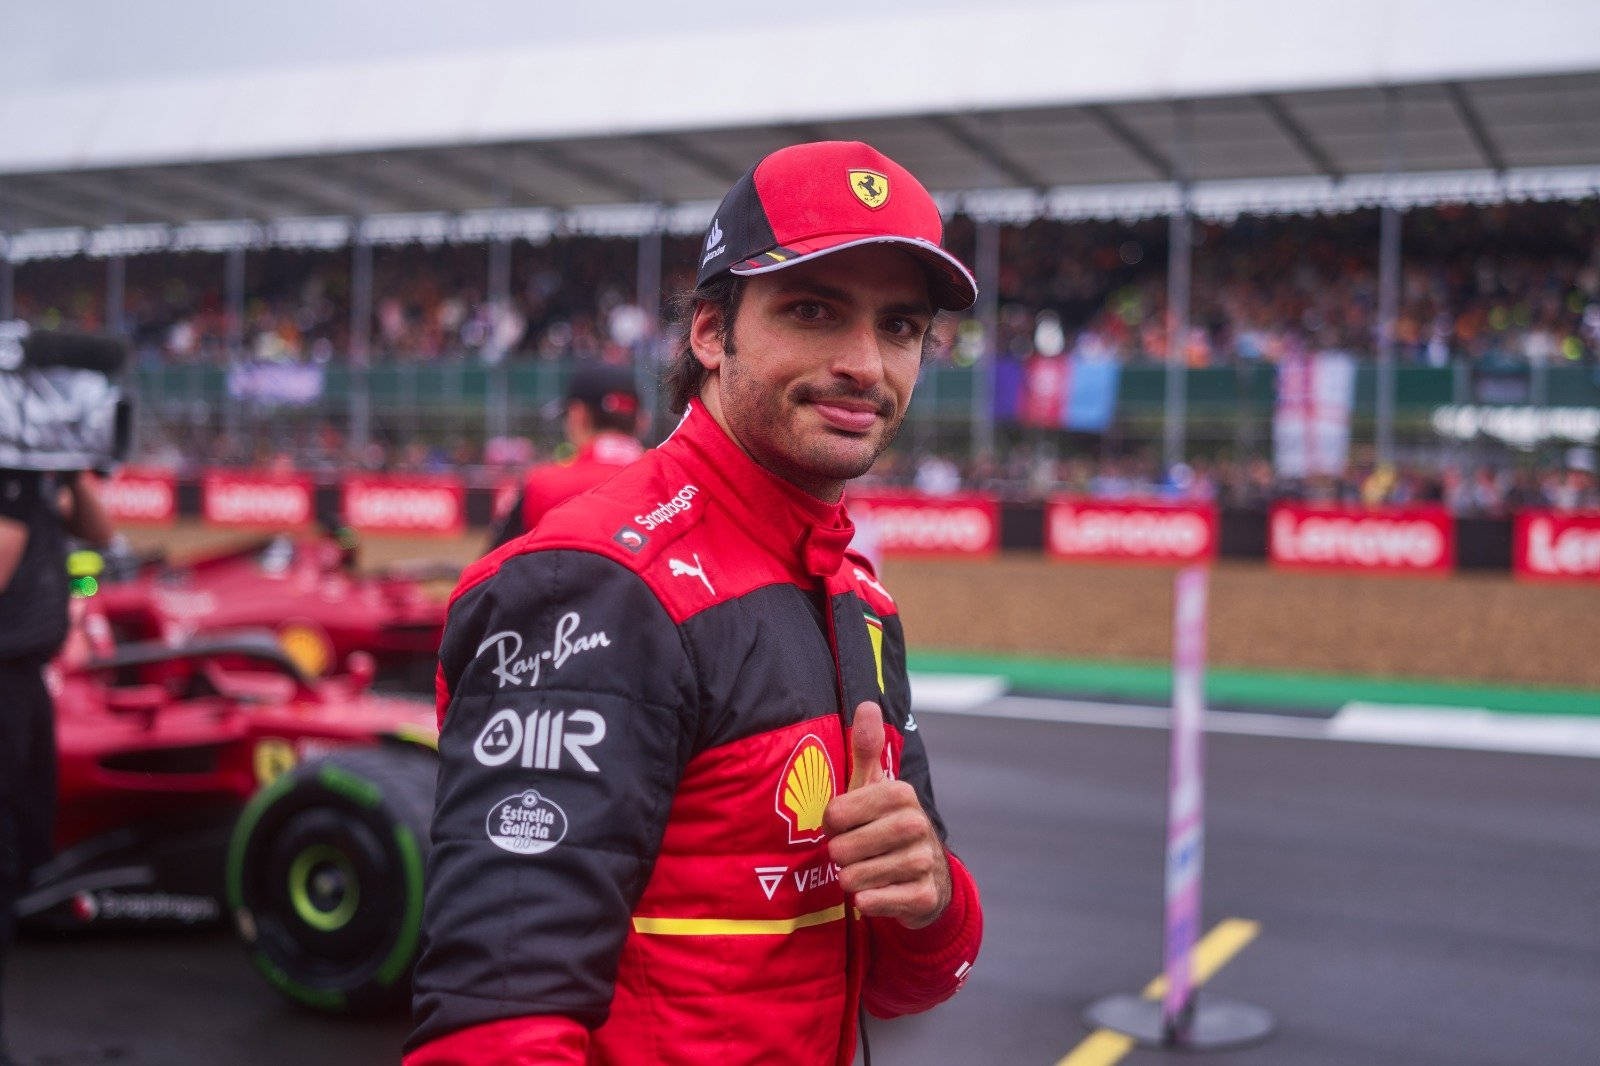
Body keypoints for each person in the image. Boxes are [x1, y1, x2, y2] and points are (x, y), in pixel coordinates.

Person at [407, 141, 984, 1066]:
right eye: (813, 310)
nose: (865, 364)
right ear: (711, 333)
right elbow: (495, 1029)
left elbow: (899, 988)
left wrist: (931, 903)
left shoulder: (861, 602)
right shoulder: (597, 584)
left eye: (902, 327)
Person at [0, 469, 111, 1066]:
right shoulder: (10, 479)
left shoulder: (40, 473)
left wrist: (68, 463)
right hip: (8, 685)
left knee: (24, 847)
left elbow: (101, 534)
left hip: (29, 689)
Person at [486, 364, 646, 550]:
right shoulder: (674, 482)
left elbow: (493, 568)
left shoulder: (543, 484)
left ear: (577, 414)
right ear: (641, 421)